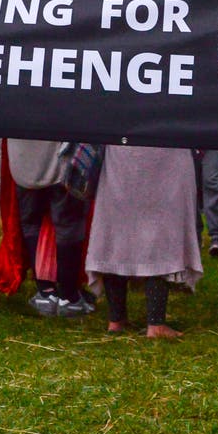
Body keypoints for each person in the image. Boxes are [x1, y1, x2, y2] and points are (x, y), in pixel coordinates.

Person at [86, 145, 202, 338]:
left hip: (120, 149)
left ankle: (116, 320)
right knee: (160, 234)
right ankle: (155, 324)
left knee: (116, 234)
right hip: (163, 147)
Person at [7, 138, 91, 317]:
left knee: (32, 222)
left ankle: (46, 293)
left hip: (24, 156)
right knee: (69, 224)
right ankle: (68, 297)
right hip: (62, 156)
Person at [196, 149, 218, 258]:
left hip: (215, 137)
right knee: (190, 186)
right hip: (187, 138)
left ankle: (217, 238)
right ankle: (194, 238)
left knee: (214, 182)